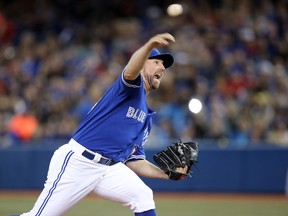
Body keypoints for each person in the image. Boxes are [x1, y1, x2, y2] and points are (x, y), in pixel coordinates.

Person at [17, 33, 188, 216]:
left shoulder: (146, 117)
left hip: (108, 169)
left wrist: (167, 173)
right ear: (143, 62)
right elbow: (130, 71)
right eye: (156, 61)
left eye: (164, 65)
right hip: (78, 162)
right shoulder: (130, 88)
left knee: (143, 195)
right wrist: (149, 45)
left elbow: (134, 161)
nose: (162, 67)